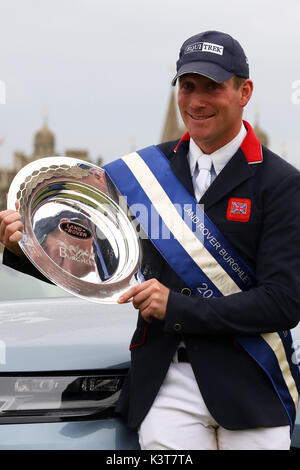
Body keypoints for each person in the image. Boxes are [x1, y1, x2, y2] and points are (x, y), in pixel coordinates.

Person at [1, 30, 300, 450]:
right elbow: (101, 272)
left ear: (244, 90)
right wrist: (23, 249)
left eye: (212, 87)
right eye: (187, 86)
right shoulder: (142, 175)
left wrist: (178, 308)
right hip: (165, 387)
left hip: (252, 384)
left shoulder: (282, 184)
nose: (196, 101)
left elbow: (284, 302)